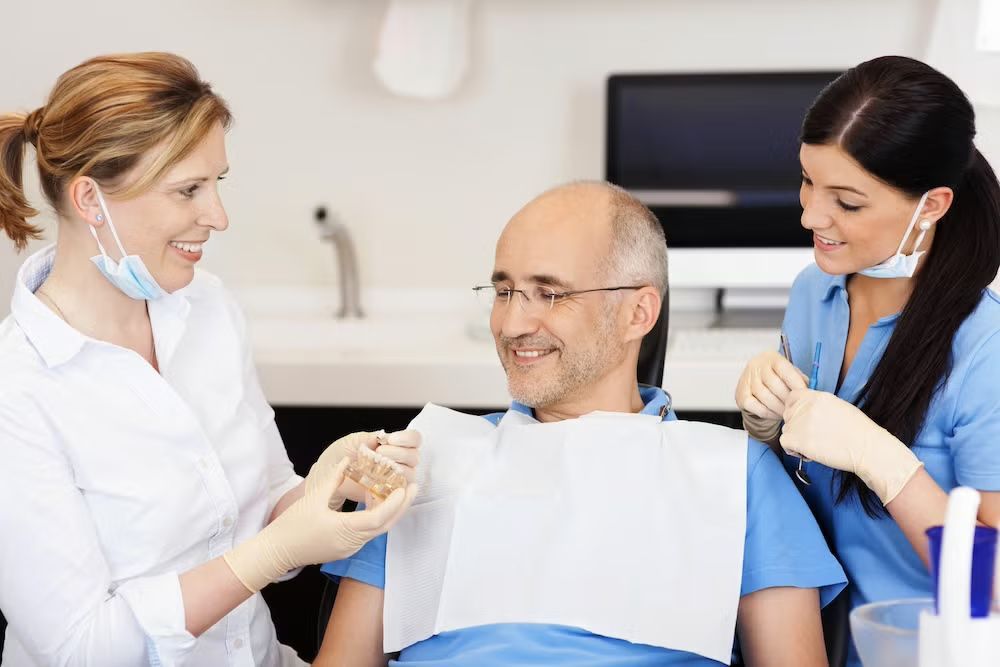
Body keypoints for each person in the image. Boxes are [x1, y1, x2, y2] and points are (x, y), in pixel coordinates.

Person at [314, 181, 846, 667]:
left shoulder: (735, 474)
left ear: (638, 313)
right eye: (504, 292)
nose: (514, 324)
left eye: (551, 294)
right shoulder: (423, 462)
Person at [0, 52, 419, 666]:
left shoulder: (208, 308)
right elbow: (82, 648)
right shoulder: (19, 389)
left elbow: (264, 499)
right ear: (91, 199)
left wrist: (327, 487)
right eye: (188, 190)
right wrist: (272, 553)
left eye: (217, 182)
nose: (217, 217)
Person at [734, 55, 1000, 666]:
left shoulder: (984, 350)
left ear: (931, 205)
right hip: (811, 637)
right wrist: (766, 426)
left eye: (847, 203)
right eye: (807, 181)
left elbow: (990, 588)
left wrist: (888, 466)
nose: (810, 216)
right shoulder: (814, 292)